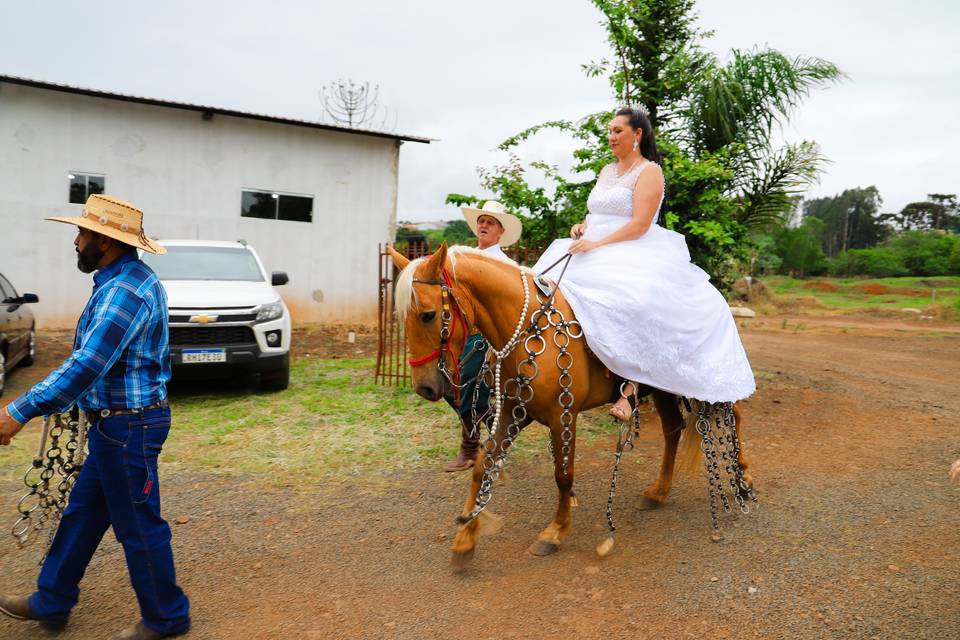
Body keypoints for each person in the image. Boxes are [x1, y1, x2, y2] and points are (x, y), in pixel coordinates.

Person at [0, 195, 190, 640]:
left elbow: (88, 364)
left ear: (105, 241)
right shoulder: (119, 280)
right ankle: (52, 600)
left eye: (83, 233)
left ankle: (167, 619)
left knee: (139, 526)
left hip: (129, 426)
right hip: (117, 425)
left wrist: (18, 411)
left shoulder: (124, 291)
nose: (76, 240)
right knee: (83, 514)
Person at [532, 107, 755, 418]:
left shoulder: (650, 171)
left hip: (632, 247)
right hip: (591, 243)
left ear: (637, 134)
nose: (611, 137)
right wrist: (583, 227)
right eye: (609, 131)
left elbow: (639, 225)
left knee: (636, 301)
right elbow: (597, 210)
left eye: (618, 131)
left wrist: (598, 242)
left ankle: (631, 388)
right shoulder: (607, 171)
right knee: (544, 287)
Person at [441, 201, 522, 471]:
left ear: (500, 232)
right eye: (481, 221)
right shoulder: (463, 259)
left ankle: (469, 448)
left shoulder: (506, 266)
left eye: (490, 222)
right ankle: (494, 422)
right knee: (443, 382)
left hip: (488, 338)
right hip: (461, 333)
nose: (484, 226)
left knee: (468, 382)